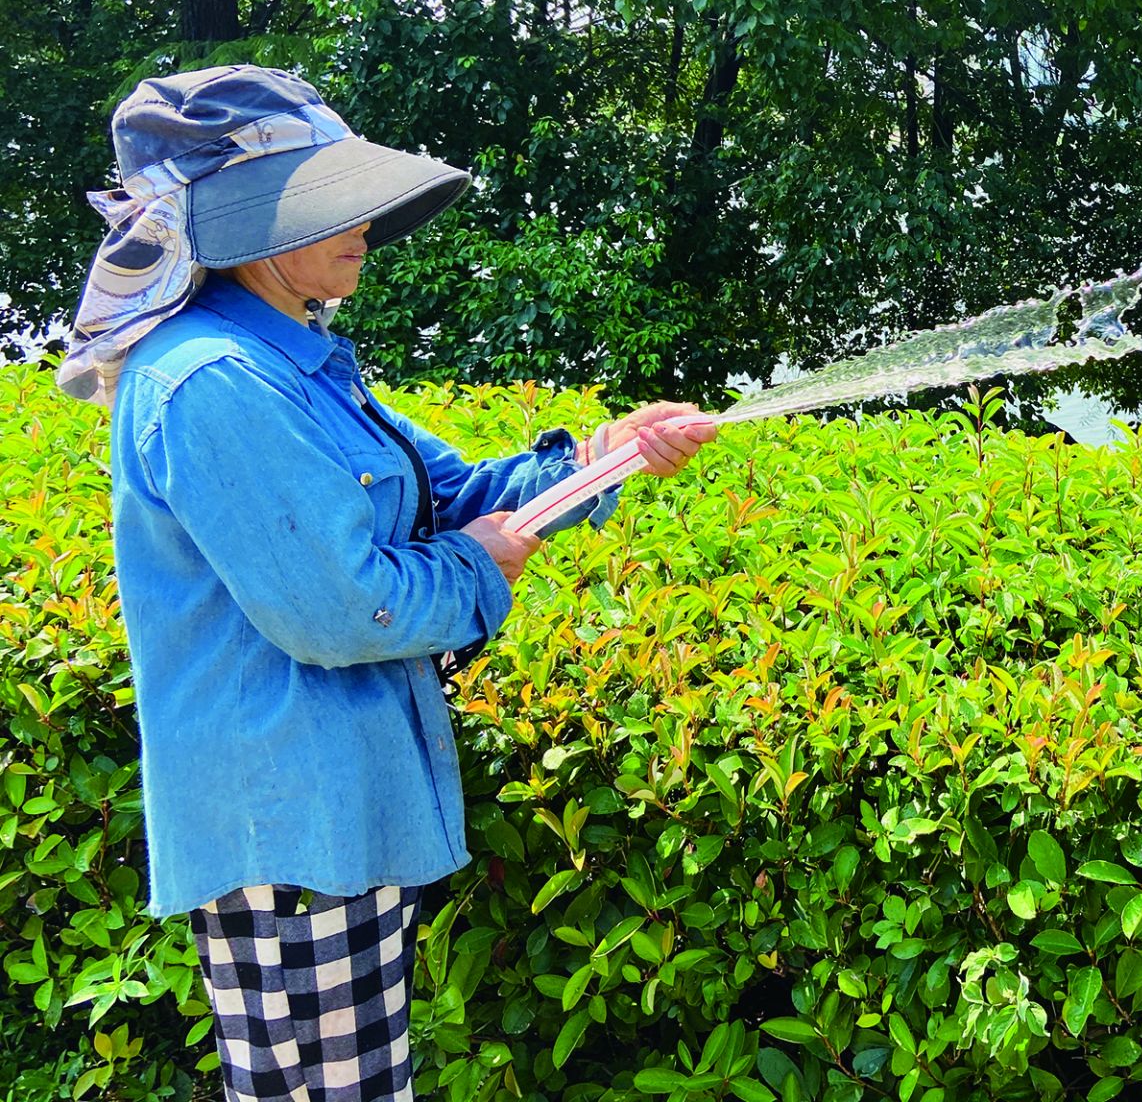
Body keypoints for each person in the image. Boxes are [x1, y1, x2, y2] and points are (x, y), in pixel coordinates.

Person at [57, 65, 717, 1102]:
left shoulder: (293, 362)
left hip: (332, 811)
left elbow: (456, 494)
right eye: (332, 201)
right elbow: (343, 607)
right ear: (247, 228)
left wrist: (612, 453)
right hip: (285, 832)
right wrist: (479, 565)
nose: (367, 221)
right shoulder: (213, 382)